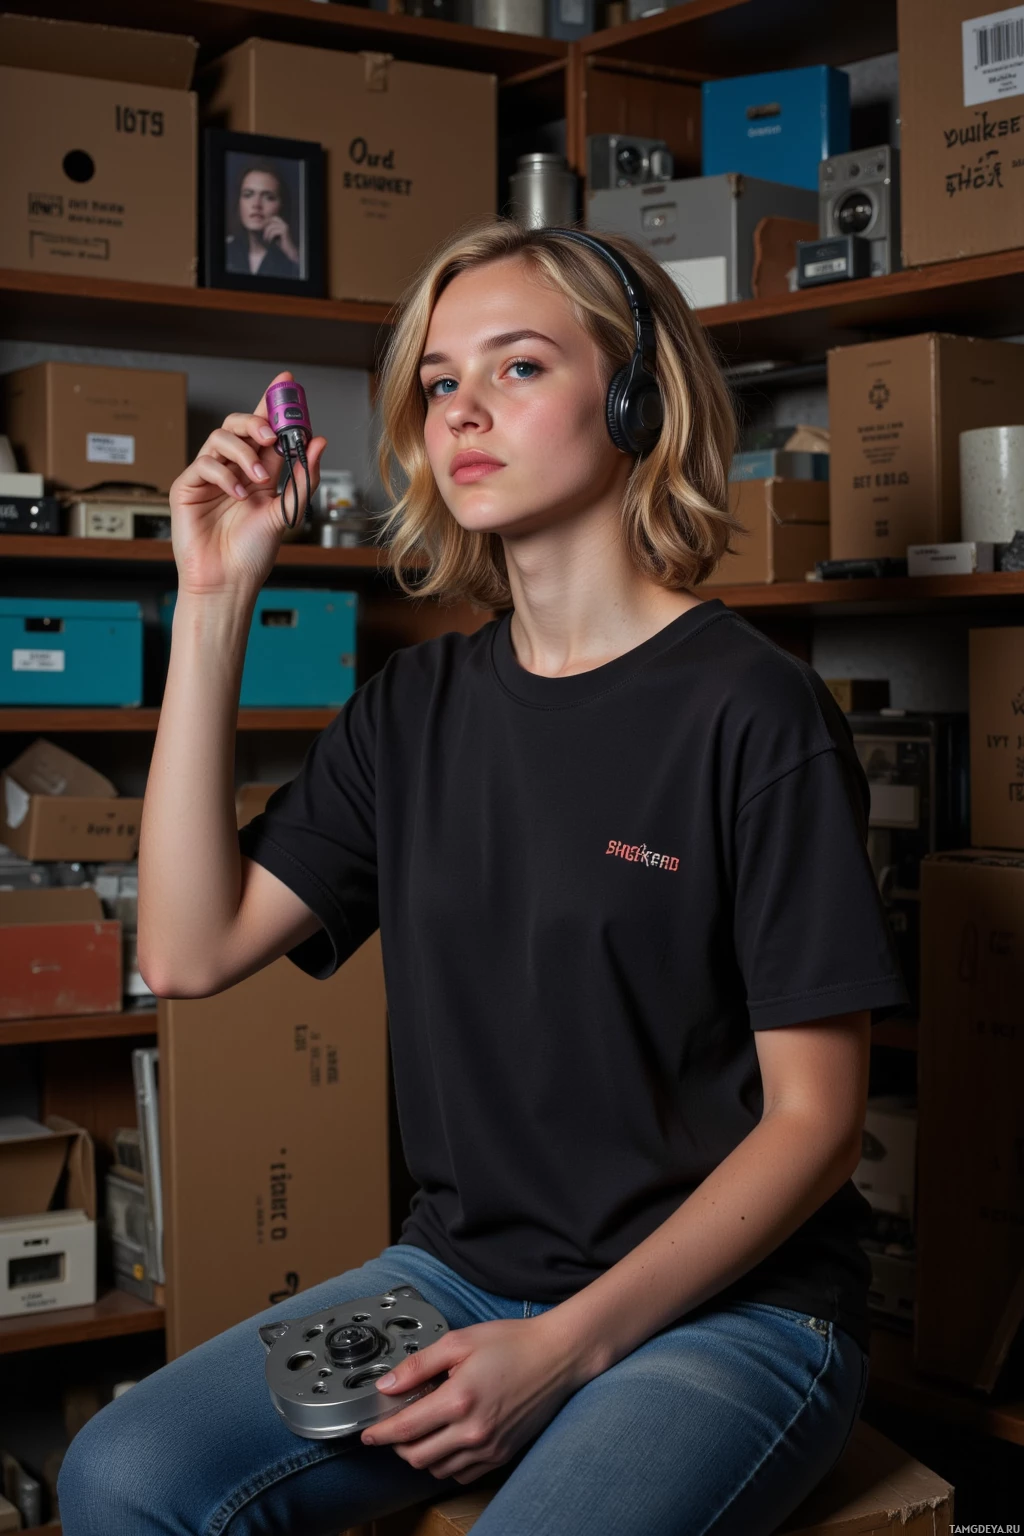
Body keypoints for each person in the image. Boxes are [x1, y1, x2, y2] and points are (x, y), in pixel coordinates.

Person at [56, 220, 908, 1536]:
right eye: (440, 382)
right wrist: (213, 600)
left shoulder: (753, 711)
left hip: (730, 1315)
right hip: (454, 1278)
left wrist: (566, 1348)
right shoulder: (416, 709)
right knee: (121, 1474)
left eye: (517, 368)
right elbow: (186, 947)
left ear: (636, 399)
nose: (463, 412)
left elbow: (818, 1122)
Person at [225, 162, 301, 280]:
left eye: (268, 197)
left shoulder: (295, 257)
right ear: (239, 203)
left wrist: (293, 255)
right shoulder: (226, 251)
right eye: (248, 195)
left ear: (282, 205)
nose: (256, 204)